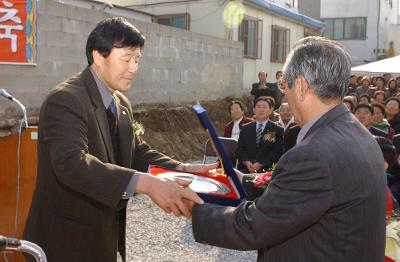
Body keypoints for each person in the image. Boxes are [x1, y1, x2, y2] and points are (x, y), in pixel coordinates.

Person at [23, 17, 216, 262]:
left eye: (137, 59)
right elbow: (72, 165)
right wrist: (148, 184)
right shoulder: (66, 100)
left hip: (104, 236)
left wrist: (183, 169)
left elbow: (135, 152)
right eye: (126, 59)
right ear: (98, 56)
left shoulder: (120, 103)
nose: (134, 68)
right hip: (64, 241)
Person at [191, 36, 387, 261]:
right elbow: (306, 191)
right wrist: (243, 179)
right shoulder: (358, 133)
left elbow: (254, 226)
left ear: (301, 86)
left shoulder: (313, 154)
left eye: (285, 87)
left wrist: (193, 207)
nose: (285, 95)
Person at [236, 96, 284, 174]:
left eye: (264, 107)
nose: (261, 109)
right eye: (258, 107)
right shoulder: (245, 128)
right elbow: (240, 149)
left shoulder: (276, 129)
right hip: (246, 169)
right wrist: (246, 162)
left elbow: (277, 151)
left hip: (267, 169)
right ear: (254, 110)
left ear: (270, 110)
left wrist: (261, 163)